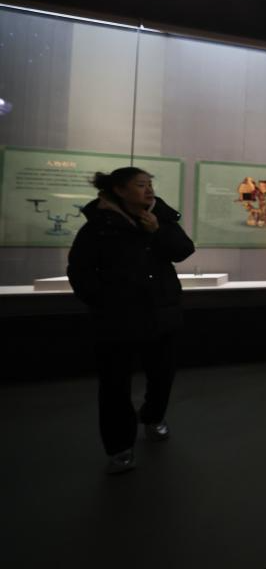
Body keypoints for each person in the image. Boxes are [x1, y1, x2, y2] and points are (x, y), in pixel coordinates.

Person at [67, 167, 195, 474]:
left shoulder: (160, 218)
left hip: (161, 315)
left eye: (150, 184)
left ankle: (153, 416)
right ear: (120, 190)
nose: (149, 190)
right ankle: (119, 447)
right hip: (117, 320)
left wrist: (158, 231)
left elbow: (183, 250)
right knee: (115, 385)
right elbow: (80, 271)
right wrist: (104, 301)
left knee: (162, 375)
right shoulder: (99, 226)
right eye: (140, 185)